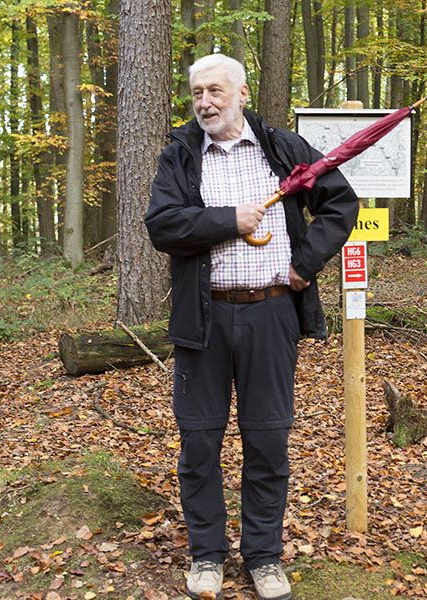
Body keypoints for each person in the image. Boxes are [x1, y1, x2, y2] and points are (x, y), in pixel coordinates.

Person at [145, 53, 358, 600]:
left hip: (270, 314)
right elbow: (163, 225)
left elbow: (339, 201)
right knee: (199, 440)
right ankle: (207, 555)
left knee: (267, 439)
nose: (204, 103)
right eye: (196, 94)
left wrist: (304, 264)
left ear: (242, 93)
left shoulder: (282, 149)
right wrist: (229, 219)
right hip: (204, 318)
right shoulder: (181, 156)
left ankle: (263, 557)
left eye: (215, 91)